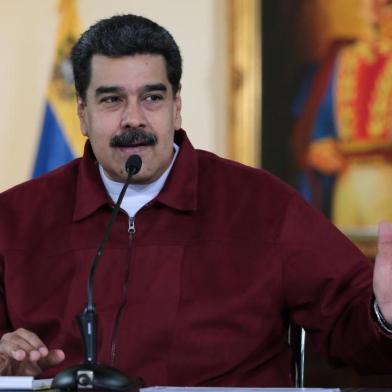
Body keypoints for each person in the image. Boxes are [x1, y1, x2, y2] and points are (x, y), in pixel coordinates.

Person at [1, 13, 392, 387]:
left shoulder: (262, 206)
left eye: (152, 98)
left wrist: (385, 317)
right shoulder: (15, 217)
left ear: (176, 108)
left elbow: (353, 325)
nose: (133, 119)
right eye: (111, 100)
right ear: (83, 115)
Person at [293, 0, 392, 242]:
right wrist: (319, 148)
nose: (377, 9)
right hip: (347, 179)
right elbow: (320, 124)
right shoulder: (343, 59)